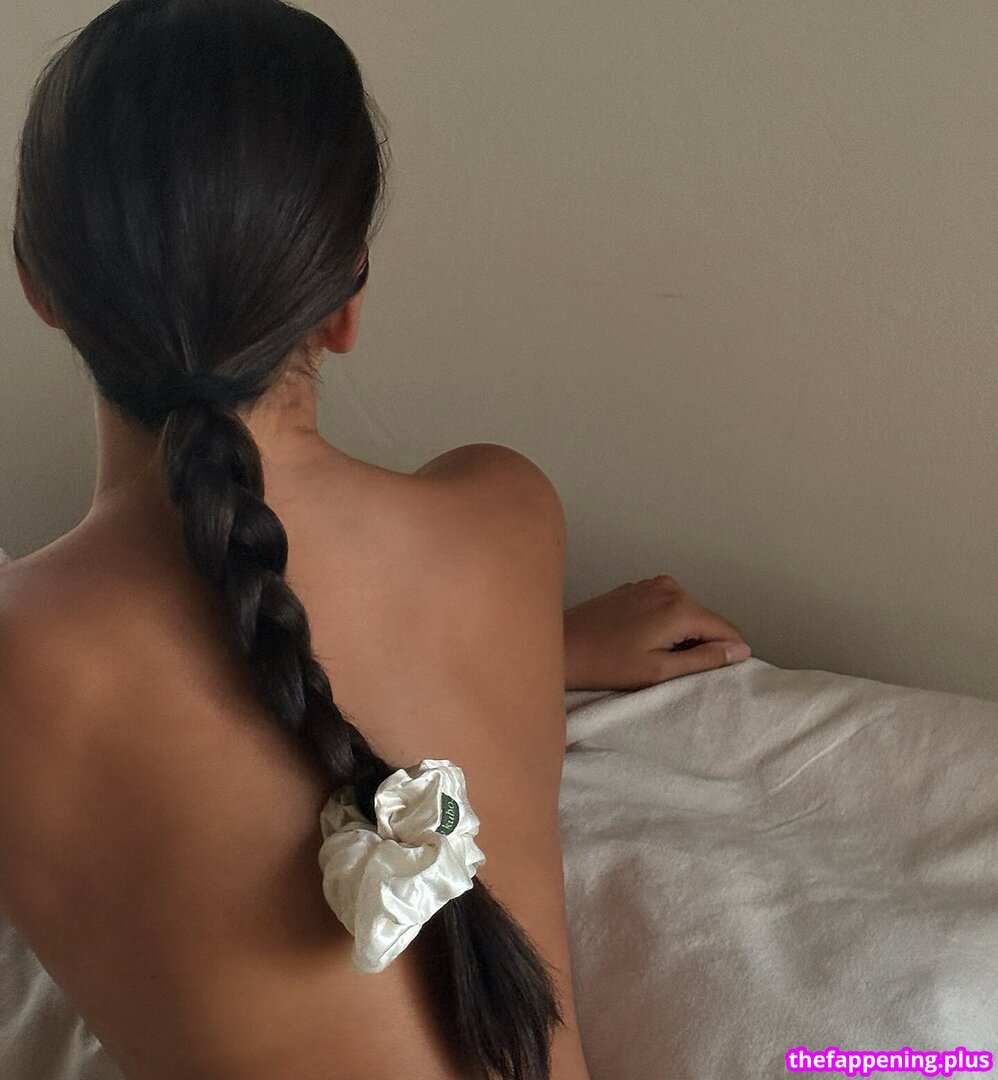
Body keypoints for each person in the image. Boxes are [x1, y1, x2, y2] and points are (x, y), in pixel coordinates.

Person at [0, 2, 751, 1077]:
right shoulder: (504, 513)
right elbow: (321, 691)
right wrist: (545, 648)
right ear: (346, 294)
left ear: (36, 284)